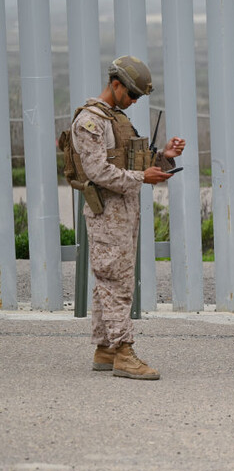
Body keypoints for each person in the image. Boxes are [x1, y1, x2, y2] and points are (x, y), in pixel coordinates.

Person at [71, 55, 186, 379]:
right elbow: (97, 170)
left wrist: (163, 157)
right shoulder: (90, 122)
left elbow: (130, 161)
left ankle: (105, 348)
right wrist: (141, 179)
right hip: (107, 213)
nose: (134, 101)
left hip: (123, 212)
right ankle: (123, 352)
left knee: (107, 282)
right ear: (116, 85)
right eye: (132, 94)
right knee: (115, 283)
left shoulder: (115, 119)